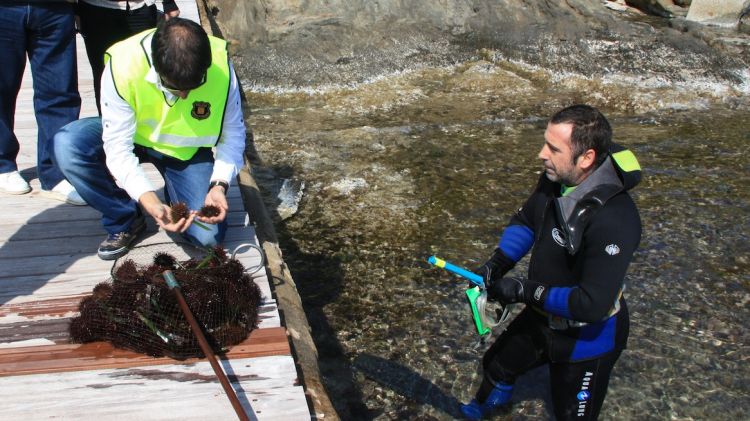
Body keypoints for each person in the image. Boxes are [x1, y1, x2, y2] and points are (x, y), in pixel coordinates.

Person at [460, 105, 642, 420]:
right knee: (496, 367)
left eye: (553, 148)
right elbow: (528, 219)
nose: (541, 154)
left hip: (587, 340)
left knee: (569, 413)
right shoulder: (556, 176)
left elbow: (591, 304)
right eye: (546, 143)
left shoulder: (616, 220)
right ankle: (484, 413)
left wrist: (520, 290)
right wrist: (499, 262)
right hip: (542, 317)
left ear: (586, 157)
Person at [52, 17, 246, 260]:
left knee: (208, 237)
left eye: (194, 86)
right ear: (157, 67)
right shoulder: (122, 65)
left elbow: (234, 135)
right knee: (67, 144)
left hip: (183, 151)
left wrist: (219, 184)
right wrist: (148, 199)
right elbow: (117, 148)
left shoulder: (222, 70)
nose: (185, 96)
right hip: (132, 135)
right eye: (175, 88)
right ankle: (124, 217)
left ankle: (176, 192)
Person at [0, 0, 85, 205]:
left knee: (60, 93)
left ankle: (57, 174)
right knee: (2, 89)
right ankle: (3, 165)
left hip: (55, 7)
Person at [76, 0, 180, 113]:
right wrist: (74, 9)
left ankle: (151, 124)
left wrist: (169, 3)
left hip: (139, 8)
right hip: (95, 9)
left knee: (147, 73)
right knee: (104, 75)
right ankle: (108, 124)